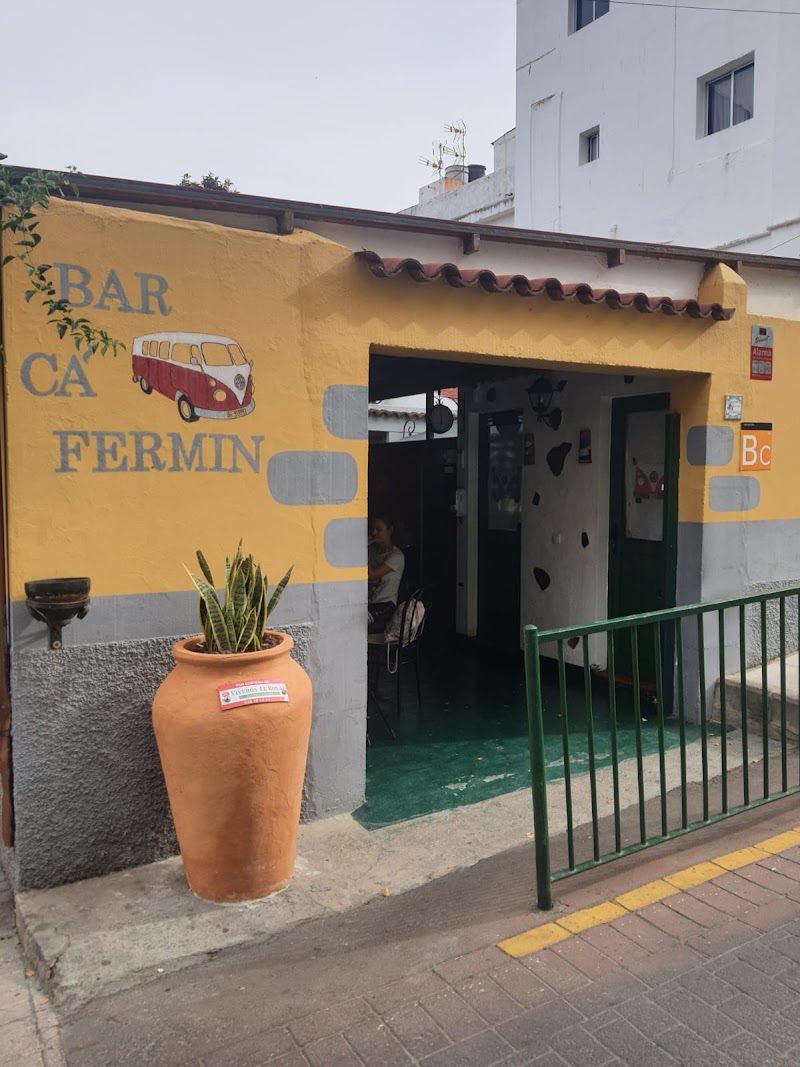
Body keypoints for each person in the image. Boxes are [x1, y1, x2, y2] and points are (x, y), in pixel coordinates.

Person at [367, 514, 405, 634]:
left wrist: (362, 548)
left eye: (379, 529)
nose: (374, 533)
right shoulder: (372, 551)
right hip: (369, 603)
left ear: (390, 530)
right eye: (372, 529)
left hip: (385, 605)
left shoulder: (397, 556)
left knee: (360, 621)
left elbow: (371, 575)